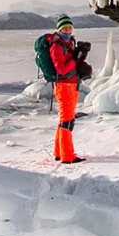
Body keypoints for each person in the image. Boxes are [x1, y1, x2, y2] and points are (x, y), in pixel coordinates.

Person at [43, 15, 86, 163]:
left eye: (70, 28)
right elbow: (61, 69)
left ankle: (59, 152)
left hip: (71, 85)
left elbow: (70, 64)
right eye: (64, 28)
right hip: (64, 86)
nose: (68, 31)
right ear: (59, 29)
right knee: (67, 121)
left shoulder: (68, 44)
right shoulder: (57, 47)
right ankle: (67, 156)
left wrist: (79, 56)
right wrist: (75, 60)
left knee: (64, 121)